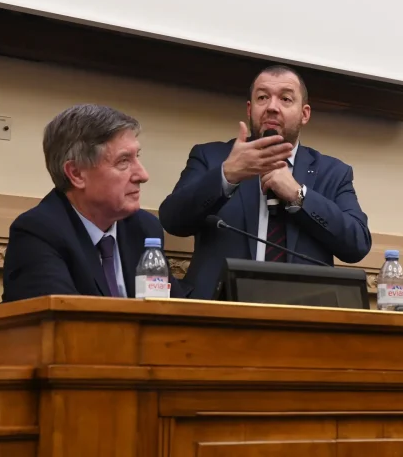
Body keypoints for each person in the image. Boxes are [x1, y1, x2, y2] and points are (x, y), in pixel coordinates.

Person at [159, 64, 372, 299]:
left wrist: (299, 195)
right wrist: (227, 175)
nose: (272, 107)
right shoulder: (212, 158)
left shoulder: (332, 173)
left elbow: (357, 244)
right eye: (262, 97)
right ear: (249, 109)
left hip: (301, 312)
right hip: (219, 308)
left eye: (285, 99)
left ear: (304, 114)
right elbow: (172, 220)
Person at [2, 104, 185, 302]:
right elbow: (63, 316)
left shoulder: (143, 228)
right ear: (76, 174)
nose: (143, 175)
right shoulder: (38, 233)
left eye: (136, 157)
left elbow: (175, 311)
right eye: (123, 161)